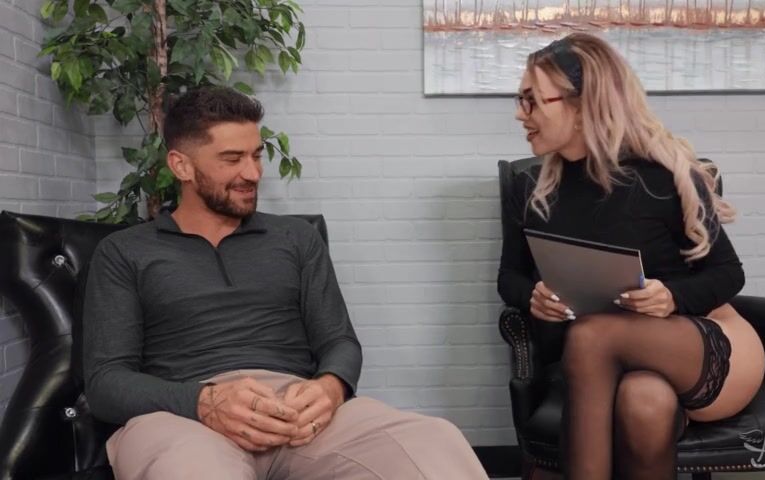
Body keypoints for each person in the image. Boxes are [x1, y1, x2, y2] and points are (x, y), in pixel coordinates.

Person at [83, 86, 489, 480]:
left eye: (256, 155)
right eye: (232, 158)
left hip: (295, 411)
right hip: (181, 417)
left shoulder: (296, 239)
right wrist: (204, 401)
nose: (253, 173)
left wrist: (330, 387)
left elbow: (339, 341)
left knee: (432, 441)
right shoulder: (125, 252)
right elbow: (106, 382)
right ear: (181, 166)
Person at [497, 33, 765, 480]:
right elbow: (510, 276)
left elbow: (728, 273)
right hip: (614, 367)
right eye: (519, 99)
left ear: (582, 104)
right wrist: (532, 296)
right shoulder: (533, 190)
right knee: (645, 403)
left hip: (703, 345)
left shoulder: (663, 176)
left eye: (531, 100)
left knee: (589, 334)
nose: (519, 113)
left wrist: (671, 297)